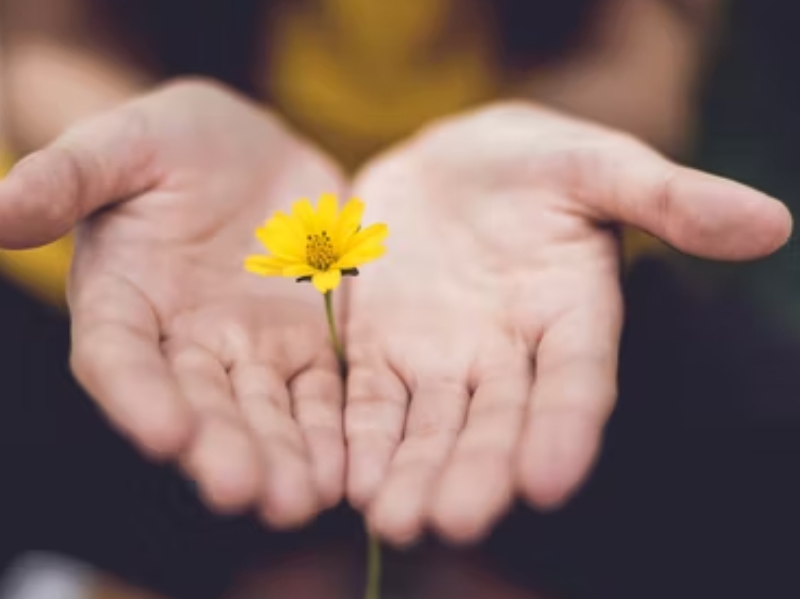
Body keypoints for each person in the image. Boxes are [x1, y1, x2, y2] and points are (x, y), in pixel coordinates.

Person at [0, 2, 792, 595]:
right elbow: (37, 34)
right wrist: (121, 135)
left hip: (522, 271)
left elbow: (647, 40)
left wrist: (552, 138)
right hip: (168, 271)